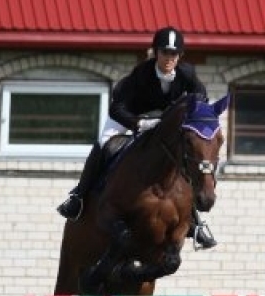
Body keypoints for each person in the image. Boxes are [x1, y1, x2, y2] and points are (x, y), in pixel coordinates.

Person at [56, 26, 218, 249]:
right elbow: (116, 109)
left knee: (181, 155)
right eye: (165, 52)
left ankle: (196, 222)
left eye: (174, 53)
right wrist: (138, 123)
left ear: (179, 56)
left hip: (162, 121)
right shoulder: (140, 74)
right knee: (104, 145)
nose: (169, 58)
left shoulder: (187, 74)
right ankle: (78, 197)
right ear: (156, 53)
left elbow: (201, 99)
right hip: (129, 117)